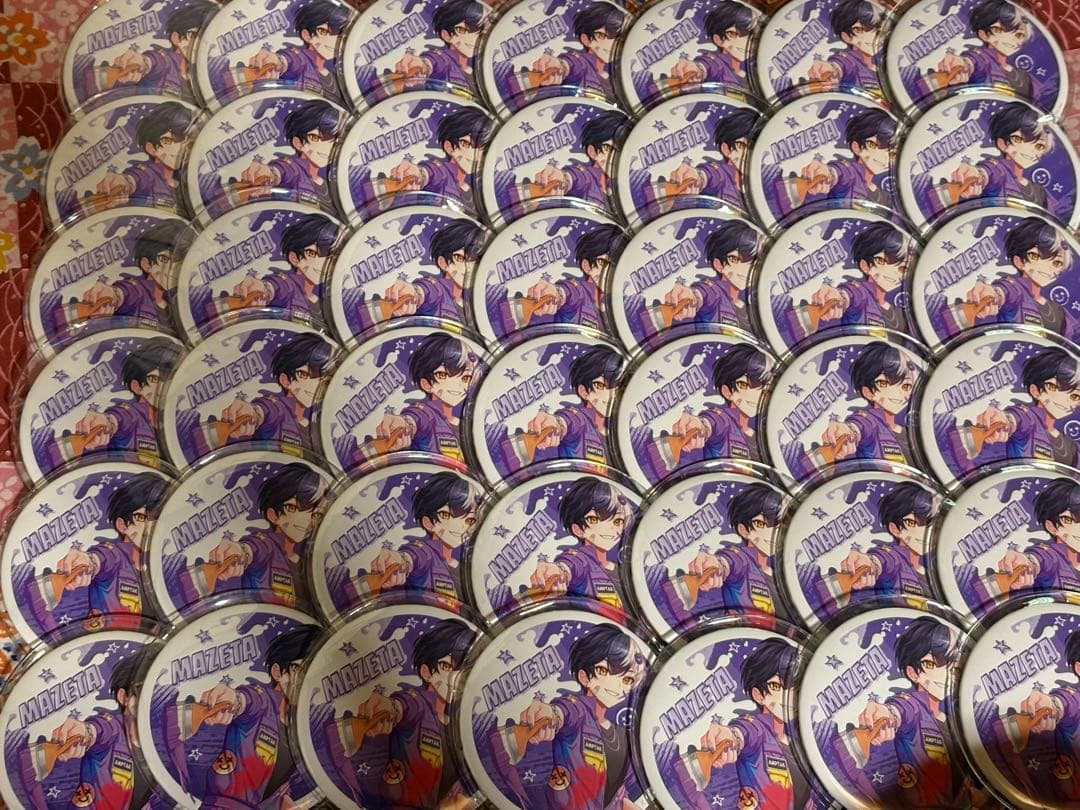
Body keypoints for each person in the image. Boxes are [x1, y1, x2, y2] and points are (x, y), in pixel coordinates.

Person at [493, 624, 646, 809]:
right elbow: (563, 712)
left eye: (627, 679)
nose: (617, 685)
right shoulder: (578, 711)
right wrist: (549, 715)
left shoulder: (622, 735)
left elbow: (615, 793)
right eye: (604, 671)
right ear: (584, 677)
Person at [330, 619, 477, 807]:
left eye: (464, 669)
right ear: (426, 672)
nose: (456, 678)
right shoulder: (419, 705)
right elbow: (405, 705)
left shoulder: (465, 723)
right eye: (447, 667)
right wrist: (390, 708)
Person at [185, 624, 323, 805]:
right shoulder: (263, 701)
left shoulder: (303, 730)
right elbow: (246, 700)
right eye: (300, 670)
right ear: (277, 672)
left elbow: (278, 790)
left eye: (315, 672)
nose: (307, 680)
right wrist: (232, 700)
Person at [678, 639, 806, 807]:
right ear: (758, 695)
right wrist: (731, 738)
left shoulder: (802, 740)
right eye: (776, 686)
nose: (789, 696)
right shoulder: (759, 731)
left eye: (795, 687)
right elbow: (744, 731)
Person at [853, 618, 960, 806]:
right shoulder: (915, 706)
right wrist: (886, 714)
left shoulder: (953, 719)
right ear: (913, 673)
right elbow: (900, 709)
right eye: (931, 664)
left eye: (951, 664)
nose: (944, 674)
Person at [47, 473, 169, 626]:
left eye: (159, 516)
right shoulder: (116, 556)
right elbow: (102, 558)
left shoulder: (164, 565)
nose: (151, 526)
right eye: (142, 518)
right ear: (122, 525)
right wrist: (88, 563)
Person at [200, 463, 326, 603]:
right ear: (273, 515)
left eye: (316, 515)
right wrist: (240, 553)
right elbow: (253, 548)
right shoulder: (268, 546)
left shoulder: (307, 563)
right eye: (292, 508)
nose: (306, 520)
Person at [953, 217, 1077, 339]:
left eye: (1057, 263)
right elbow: (1006, 290)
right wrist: (994, 294)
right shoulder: (1017, 290)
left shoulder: (1059, 312)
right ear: (1019, 261)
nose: (1048, 267)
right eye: (1035, 256)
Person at [364, 472, 481, 600]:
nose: (460, 526)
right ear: (428, 523)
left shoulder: (464, 567)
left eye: (469, 520)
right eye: (446, 515)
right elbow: (414, 555)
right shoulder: (427, 554)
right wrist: (401, 561)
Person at [210, 332, 334, 451]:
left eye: (325, 380)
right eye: (304, 374)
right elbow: (267, 410)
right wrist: (253, 414)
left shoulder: (317, 426)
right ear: (285, 380)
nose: (316, 385)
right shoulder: (280, 410)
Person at [526, 477, 631, 609]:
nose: (609, 528)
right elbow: (572, 564)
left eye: (617, 521)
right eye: (594, 519)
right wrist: (559, 571)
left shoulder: (622, 569)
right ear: (578, 530)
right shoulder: (583, 560)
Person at [967, 346, 1080, 467]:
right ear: (1035, 390)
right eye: (1053, 387)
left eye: (1075, 396)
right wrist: (1005, 421)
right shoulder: (1030, 419)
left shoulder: (1072, 447)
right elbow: (1018, 418)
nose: (1064, 400)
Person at [681, 483, 784, 615]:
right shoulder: (744, 561)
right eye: (761, 524)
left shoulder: (780, 573)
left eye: (777, 525)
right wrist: (716, 565)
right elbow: (730, 561)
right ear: (744, 530)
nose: (771, 533)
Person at [372, 333, 480, 459]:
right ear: (426, 384)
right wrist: (404, 424)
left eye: (465, 378)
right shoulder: (428, 415)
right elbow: (416, 418)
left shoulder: (466, 424)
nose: (457, 385)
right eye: (443, 375)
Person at [70, 336, 181, 457]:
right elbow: (121, 418)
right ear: (136, 386)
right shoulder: (134, 416)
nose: (164, 387)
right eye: (155, 379)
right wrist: (107, 422)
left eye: (171, 378)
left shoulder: (179, 420)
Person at [949, 102, 1057, 214]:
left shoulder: (1040, 192)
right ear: (1002, 144)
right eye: (1018, 139)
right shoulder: (1001, 173)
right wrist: (978, 175)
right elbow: (990, 172)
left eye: (1039, 146)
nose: (1031, 150)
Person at [819, 341, 918, 464]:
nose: (898, 393)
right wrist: (848, 431)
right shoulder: (872, 422)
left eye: (906, 386)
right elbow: (860, 425)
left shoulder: (908, 432)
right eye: (884, 383)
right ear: (868, 392)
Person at [75, 218, 189, 324]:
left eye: (180, 264)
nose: (173, 270)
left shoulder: (175, 302)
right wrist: (114, 295)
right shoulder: (140, 291)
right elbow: (127, 292)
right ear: (146, 264)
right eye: (164, 259)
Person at [670, 343, 772, 462]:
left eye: (763, 388)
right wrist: (701, 426)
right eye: (744, 385)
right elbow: (713, 422)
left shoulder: (760, 436)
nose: (756, 395)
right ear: (727, 392)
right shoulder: (725, 422)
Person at [227, 213, 340, 317]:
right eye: (312, 253)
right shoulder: (291, 287)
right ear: (294, 259)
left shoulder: (324, 297)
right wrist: (264, 289)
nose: (323, 262)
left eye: (330, 256)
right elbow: (279, 286)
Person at [95, 0, 217, 96]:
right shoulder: (167, 63)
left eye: (207, 35)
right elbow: (156, 62)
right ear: (176, 38)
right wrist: (143, 63)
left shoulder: (210, 70)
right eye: (193, 35)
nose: (202, 42)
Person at [805, 221, 910, 332]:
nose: (894, 272)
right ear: (865, 266)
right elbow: (852, 294)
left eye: (902, 268)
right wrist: (839, 297)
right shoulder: (863, 295)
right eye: (882, 261)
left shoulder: (900, 314)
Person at [238, 100, 344, 209]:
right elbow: (284, 170)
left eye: (332, 140)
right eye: (315, 137)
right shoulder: (295, 170)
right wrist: (270, 174)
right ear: (298, 143)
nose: (326, 147)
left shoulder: (328, 184)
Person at [837, 482, 938, 597]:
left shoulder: (932, 569)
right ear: (895, 529)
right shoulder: (896, 559)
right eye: (912, 523)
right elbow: (884, 560)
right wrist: (870, 563)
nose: (923, 531)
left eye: (928, 524)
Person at [526, 344, 621, 463]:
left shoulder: (619, 431)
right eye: (600, 385)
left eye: (616, 386)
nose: (610, 394)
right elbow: (568, 421)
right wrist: (555, 424)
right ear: (584, 392)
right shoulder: (581, 420)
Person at [661, 219, 760, 332]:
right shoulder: (716, 293)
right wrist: (692, 297)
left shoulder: (751, 308)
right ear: (719, 265)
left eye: (753, 262)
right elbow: (704, 293)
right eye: (735, 259)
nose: (745, 268)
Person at [519, 224, 625, 328]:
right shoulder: (581, 293)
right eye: (603, 262)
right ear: (587, 266)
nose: (611, 271)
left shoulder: (620, 304)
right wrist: (557, 293)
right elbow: (569, 292)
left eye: (617, 263)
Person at [378, 219, 485, 321]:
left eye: (474, 259)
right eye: (460, 258)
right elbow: (428, 290)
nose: (469, 267)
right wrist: (414, 293)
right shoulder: (440, 291)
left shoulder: (473, 304)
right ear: (443, 263)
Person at [386, 106, 493, 205]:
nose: (475, 154)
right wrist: (419, 174)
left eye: (483, 149)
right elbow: (433, 172)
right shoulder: (444, 174)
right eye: (466, 144)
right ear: (449, 147)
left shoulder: (474, 190)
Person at [95, 102, 193, 209]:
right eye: (167, 141)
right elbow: (137, 178)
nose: (179, 148)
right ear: (151, 149)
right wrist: (124, 182)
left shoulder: (190, 176)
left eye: (185, 140)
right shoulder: (149, 175)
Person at [244, 0, 350, 97]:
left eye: (340, 35)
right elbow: (292, 60)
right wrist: (278, 61)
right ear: (307, 36)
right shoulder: (302, 61)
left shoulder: (334, 75)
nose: (334, 40)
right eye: (324, 31)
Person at [936, 0, 1037, 99]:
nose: (1010, 39)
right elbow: (975, 61)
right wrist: (963, 64)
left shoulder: (1023, 76)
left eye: (1019, 35)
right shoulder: (983, 60)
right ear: (983, 35)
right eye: (998, 30)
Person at [799, 107, 897, 209]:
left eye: (892, 153)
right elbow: (841, 172)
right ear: (856, 147)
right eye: (873, 145)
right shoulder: (851, 174)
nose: (885, 157)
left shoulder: (885, 198)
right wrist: (828, 174)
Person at [993, 478, 1080, 592]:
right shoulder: (1053, 557)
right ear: (1052, 527)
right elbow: (1040, 558)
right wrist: (1027, 563)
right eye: (1068, 520)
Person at [531, 110, 630, 208]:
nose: (617, 156)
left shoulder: (624, 188)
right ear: (592, 152)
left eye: (622, 150)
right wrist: (562, 179)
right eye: (609, 148)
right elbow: (575, 177)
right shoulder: (588, 178)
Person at [666, 107, 758, 210]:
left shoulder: (760, 183)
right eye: (743, 146)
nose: (752, 153)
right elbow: (711, 175)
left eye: (755, 146)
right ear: (726, 150)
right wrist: (698, 177)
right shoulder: (723, 175)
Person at [528, 2, 626, 94]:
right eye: (601, 35)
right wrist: (560, 66)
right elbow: (571, 64)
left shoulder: (615, 73)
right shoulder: (582, 64)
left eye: (616, 36)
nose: (611, 43)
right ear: (585, 39)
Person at [392, 0, 487, 91]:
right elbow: (435, 61)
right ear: (446, 35)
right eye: (462, 30)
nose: (473, 38)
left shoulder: (480, 66)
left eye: (479, 31)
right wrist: (423, 65)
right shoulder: (446, 61)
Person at [667, 2, 759, 91]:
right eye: (733, 34)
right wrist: (697, 69)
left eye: (752, 35)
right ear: (718, 39)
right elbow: (709, 65)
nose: (745, 41)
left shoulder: (751, 71)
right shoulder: (719, 64)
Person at [807, 0, 885, 91]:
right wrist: (831, 69)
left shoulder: (882, 64)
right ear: (846, 37)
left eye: (878, 27)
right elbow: (841, 65)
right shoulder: (851, 62)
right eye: (859, 29)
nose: (873, 36)